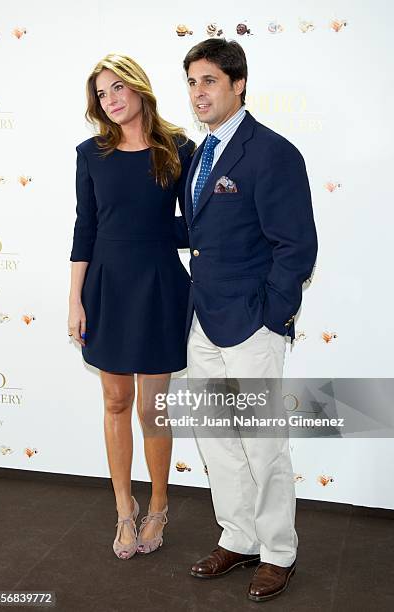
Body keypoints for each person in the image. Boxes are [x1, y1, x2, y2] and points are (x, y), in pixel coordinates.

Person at [182, 39, 318, 602]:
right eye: (191, 82)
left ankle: (278, 552)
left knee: (263, 444)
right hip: (202, 323)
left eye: (209, 80)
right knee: (216, 440)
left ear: (239, 84)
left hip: (252, 325)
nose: (198, 93)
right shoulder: (198, 154)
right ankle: (238, 537)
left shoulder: (273, 152)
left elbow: (296, 246)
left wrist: (272, 316)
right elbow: (199, 236)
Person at [67, 54, 195, 560]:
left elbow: (198, 220)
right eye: (102, 93)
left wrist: (160, 233)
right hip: (107, 288)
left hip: (161, 285)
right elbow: (85, 227)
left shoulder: (178, 148)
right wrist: (75, 299)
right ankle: (125, 508)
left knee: (152, 408)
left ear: (140, 88)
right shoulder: (90, 153)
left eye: (118, 88)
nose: (111, 99)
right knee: (116, 402)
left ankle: (159, 504)